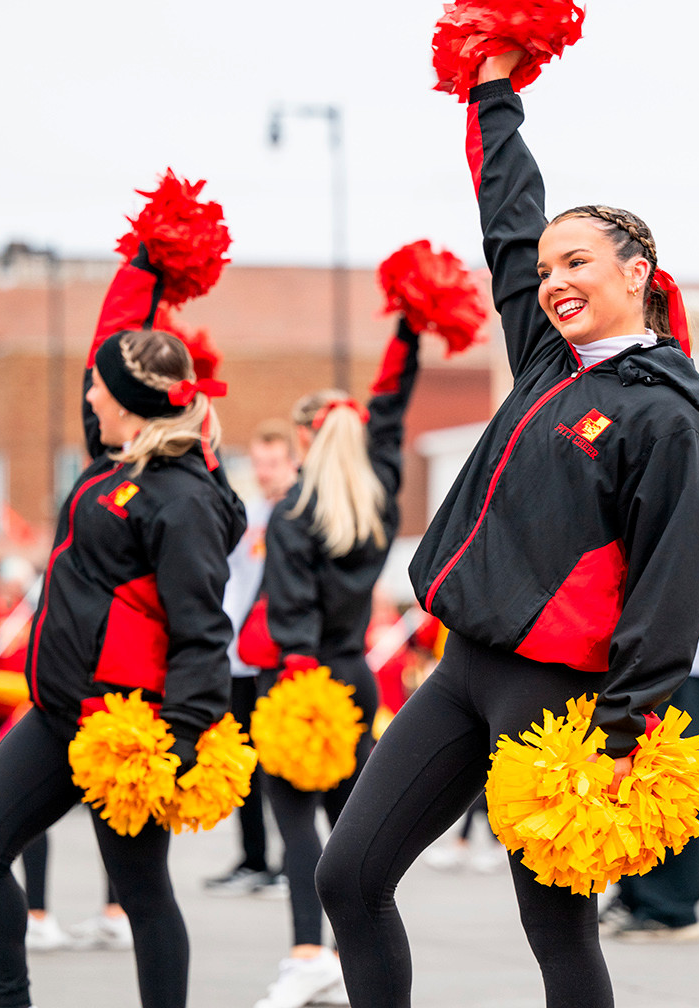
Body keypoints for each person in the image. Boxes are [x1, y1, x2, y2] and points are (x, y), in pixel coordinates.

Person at [314, 47, 699, 1008]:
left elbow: (674, 584)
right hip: (464, 669)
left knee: (555, 931)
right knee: (350, 877)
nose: (551, 280)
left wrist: (625, 730)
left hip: (564, 699)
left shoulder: (667, 416)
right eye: (547, 269)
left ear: (639, 274)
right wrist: (492, 90)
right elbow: (508, 215)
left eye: (576, 261)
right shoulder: (549, 360)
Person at [0, 247, 246, 1008]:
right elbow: (110, 346)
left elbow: (204, 630)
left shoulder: (182, 497)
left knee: (143, 894)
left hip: (128, 728)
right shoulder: (110, 464)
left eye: (100, 386)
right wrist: (145, 265)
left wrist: (179, 737)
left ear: (127, 402)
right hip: (59, 715)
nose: (89, 391)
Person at [242, 317, 423, 1008]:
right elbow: (390, 412)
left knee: (296, 831)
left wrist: (286, 674)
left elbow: (289, 620)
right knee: (358, 836)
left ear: (310, 440)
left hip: (299, 684)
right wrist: (408, 329)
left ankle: (307, 953)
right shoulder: (377, 495)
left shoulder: (294, 512)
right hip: (354, 680)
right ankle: (357, 955)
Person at [602, 563, 699, 943]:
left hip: (676, 658)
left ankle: (671, 908)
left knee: (670, 784)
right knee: (633, 780)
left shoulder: (683, 504)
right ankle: (639, 895)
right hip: (649, 655)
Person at [204, 421, 299, 900]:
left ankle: (290, 863)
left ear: (293, 462)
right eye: (258, 464)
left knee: (279, 767)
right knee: (244, 762)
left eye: (273, 463)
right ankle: (254, 858)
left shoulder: (297, 513)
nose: (264, 473)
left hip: (276, 657)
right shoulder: (251, 514)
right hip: (238, 656)